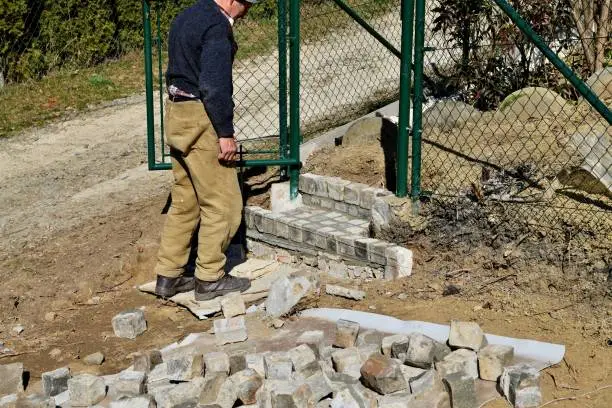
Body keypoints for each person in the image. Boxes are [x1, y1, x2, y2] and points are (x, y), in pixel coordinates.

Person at [154, 0, 256, 301]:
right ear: (233, 1)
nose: (247, 11)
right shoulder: (217, 27)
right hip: (201, 118)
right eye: (247, 5)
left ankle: (168, 276)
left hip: (177, 114)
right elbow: (214, 85)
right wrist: (225, 133)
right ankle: (210, 277)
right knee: (223, 203)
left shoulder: (189, 14)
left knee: (186, 200)